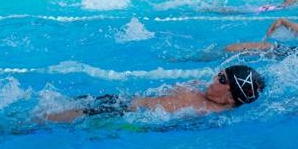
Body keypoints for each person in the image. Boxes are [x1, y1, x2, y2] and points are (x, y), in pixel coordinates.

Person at [44, 65, 265, 123]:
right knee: (61, 102)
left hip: (121, 114)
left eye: (222, 80)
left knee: (48, 118)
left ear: (230, 97)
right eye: (219, 74)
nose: (214, 79)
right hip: (124, 102)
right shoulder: (204, 97)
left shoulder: (206, 112)